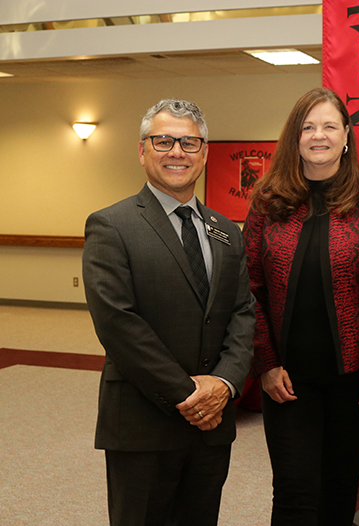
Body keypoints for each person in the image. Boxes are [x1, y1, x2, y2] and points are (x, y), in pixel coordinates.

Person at [82, 99, 256, 526]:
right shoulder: (112, 225)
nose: (177, 152)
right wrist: (187, 394)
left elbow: (243, 314)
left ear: (205, 153)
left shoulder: (226, 230)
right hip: (144, 421)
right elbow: (118, 323)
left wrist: (223, 384)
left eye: (189, 143)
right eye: (164, 141)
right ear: (142, 150)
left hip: (212, 422)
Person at [243, 87, 359, 526]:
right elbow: (249, 290)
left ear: (346, 135)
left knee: (339, 490)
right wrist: (267, 365)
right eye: (309, 126)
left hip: (353, 382)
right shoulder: (266, 201)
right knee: (294, 495)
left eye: (329, 126)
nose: (319, 135)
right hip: (286, 381)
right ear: (295, 137)